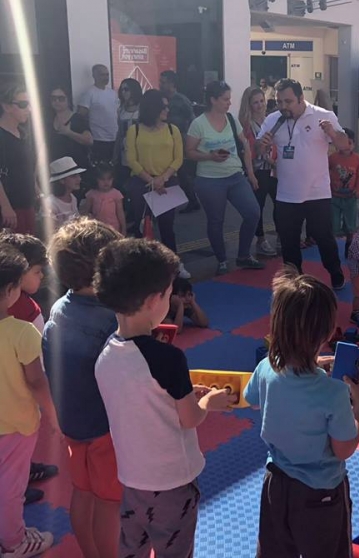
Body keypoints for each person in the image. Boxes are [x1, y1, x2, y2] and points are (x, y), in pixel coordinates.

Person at [93, 238, 235, 558]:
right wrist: (207, 403)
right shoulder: (167, 358)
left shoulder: (105, 353)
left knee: (132, 548)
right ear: (154, 300)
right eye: (169, 295)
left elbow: (140, 400)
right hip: (172, 482)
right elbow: (189, 418)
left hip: (132, 479)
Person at [244, 268, 359, 558]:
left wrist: (311, 365)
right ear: (328, 332)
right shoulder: (333, 391)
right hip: (320, 495)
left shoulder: (266, 368)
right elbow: (344, 449)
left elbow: (252, 400)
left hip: (276, 485)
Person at [42, 218, 123, 558]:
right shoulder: (110, 318)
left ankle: (91, 552)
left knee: (83, 491)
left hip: (72, 421)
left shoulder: (60, 308)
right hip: (104, 427)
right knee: (109, 501)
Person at [257, 78, 349, 289]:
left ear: (301, 98)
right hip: (286, 193)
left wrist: (332, 133)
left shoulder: (323, 115)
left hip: (317, 191)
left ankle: (335, 273)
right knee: (288, 241)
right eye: (279, 102)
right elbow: (258, 149)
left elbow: (344, 144)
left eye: (288, 101)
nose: (283, 106)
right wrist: (262, 146)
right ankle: (294, 282)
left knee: (323, 237)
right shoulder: (273, 119)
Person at [0, 243, 59, 558]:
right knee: (11, 488)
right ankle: (13, 542)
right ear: (11, 290)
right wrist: (53, 416)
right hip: (16, 425)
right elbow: (37, 382)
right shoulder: (22, 333)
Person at [186, 81, 263, 276]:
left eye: (229, 99)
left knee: (253, 212)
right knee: (216, 221)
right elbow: (189, 152)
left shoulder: (231, 119)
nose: (229, 103)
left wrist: (250, 173)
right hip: (209, 179)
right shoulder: (198, 124)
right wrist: (209, 156)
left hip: (235, 175)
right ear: (213, 100)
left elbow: (245, 145)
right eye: (225, 99)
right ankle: (221, 260)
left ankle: (243, 255)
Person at [126, 89, 190, 279]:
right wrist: (151, 180)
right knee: (141, 226)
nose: (167, 110)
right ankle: (143, 268)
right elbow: (131, 159)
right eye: (163, 107)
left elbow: (178, 158)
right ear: (152, 108)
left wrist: (163, 178)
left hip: (167, 182)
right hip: (142, 183)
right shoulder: (134, 130)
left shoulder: (172, 130)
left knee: (167, 226)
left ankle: (174, 264)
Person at [239, 86, 278, 258]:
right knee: (258, 207)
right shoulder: (246, 126)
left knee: (280, 203)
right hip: (258, 170)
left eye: (262, 101)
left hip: (274, 169)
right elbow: (250, 152)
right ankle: (261, 239)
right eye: (255, 102)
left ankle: (281, 235)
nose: (260, 105)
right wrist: (251, 174)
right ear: (248, 104)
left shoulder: (270, 120)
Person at [160, 70, 200, 214]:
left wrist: (190, 140)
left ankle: (192, 200)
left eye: (163, 82)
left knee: (181, 172)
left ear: (172, 83)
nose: (160, 85)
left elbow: (193, 120)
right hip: (163, 140)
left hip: (179, 140)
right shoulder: (161, 99)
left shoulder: (182, 100)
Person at [0, 83, 37, 235]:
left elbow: (27, 167)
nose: (28, 109)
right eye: (23, 104)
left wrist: (38, 192)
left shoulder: (23, 133)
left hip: (27, 203)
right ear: (6, 106)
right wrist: (5, 207)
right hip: (10, 207)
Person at [329, 127, 359, 259]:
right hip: (334, 197)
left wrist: (358, 189)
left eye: (350, 142)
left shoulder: (356, 159)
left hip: (350, 197)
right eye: (344, 142)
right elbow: (325, 173)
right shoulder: (332, 158)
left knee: (350, 224)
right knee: (333, 224)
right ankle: (332, 249)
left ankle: (349, 245)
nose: (348, 146)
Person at [77, 65, 119, 166]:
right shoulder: (89, 93)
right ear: (94, 75)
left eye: (107, 74)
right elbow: (81, 115)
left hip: (114, 138)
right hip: (98, 139)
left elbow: (116, 113)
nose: (106, 77)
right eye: (102, 75)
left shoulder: (113, 93)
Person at [48, 86, 92, 171]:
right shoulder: (49, 120)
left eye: (61, 98)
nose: (57, 101)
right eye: (53, 98)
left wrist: (69, 133)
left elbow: (89, 140)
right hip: (57, 169)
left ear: (68, 100)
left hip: (77, 168)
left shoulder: (77, 118)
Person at [43, 157, 85, 230]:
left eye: (78, 175)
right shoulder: (50, 203)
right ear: (62, 180)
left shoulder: (73, 198)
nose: (79, 179)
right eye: (73, 176)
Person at [83, 163, 125, 234]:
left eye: (109, 179)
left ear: (113, 179)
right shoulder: (91, 194)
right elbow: (86, 211)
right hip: (97, 227)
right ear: (96, 179)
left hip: (113, 228)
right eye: (102, 179)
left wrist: (123, 228)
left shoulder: (116, 194)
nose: (106, 182)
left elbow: (120, 212)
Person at [114, 78, 142, 185]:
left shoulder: (142, 108)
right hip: (124, 149)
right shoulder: (121, 109)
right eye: (121, 90)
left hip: (139, 148)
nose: (123, 92)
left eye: (126, 89)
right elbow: (119, 133)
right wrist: (115, 153)